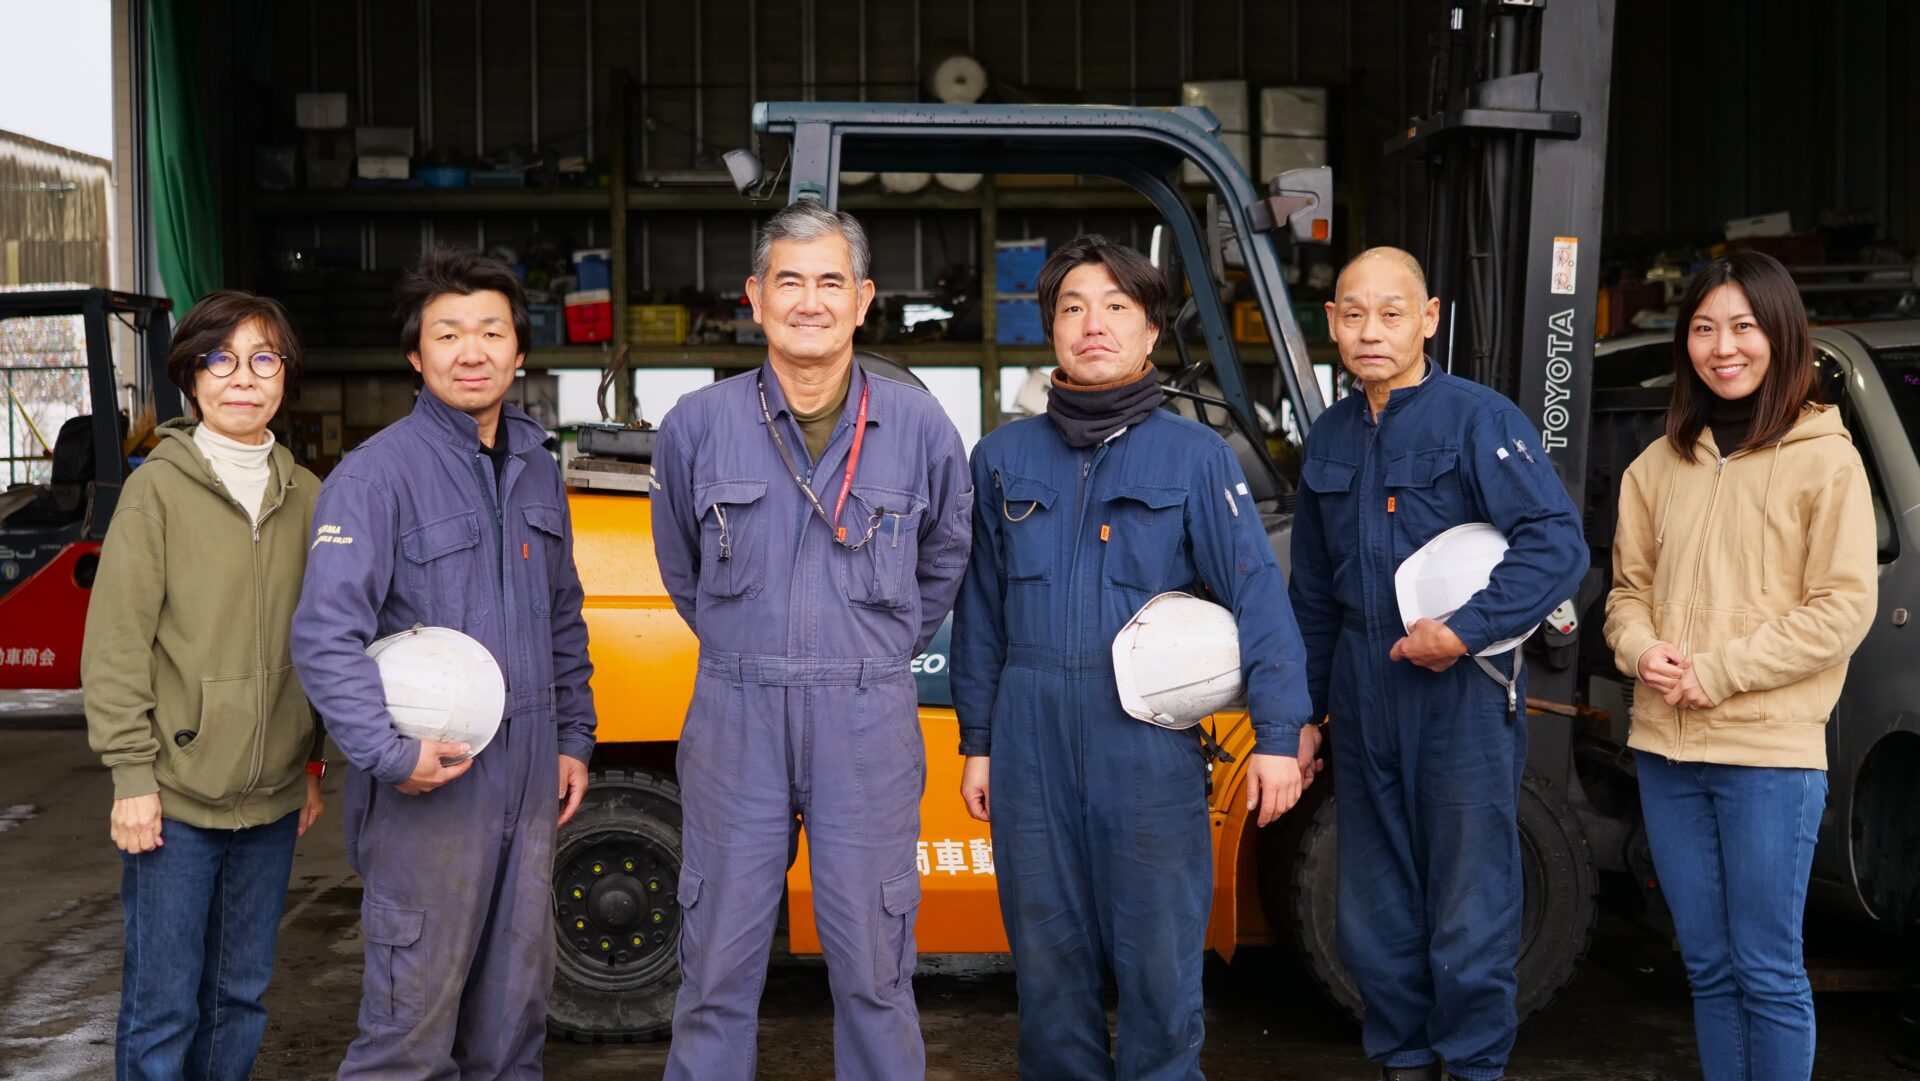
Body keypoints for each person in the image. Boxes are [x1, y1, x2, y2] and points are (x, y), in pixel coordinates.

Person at [950, 234, 1320, 1080]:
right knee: (1048, 967)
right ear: (1050, 327)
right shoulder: (1002, 459)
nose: (1094, 324)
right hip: (1031, 738)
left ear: (1152, 330)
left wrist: (1277, 732)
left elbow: (1259, 597)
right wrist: (978, 739)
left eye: (1117, 306)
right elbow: (980, 608)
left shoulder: (1194, 457)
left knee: (1158, 964)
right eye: (1074, 307)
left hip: (1146, 744)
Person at [650, 200, 972, 1081]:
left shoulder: (918, 427)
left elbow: (946, 557)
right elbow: (681, 566)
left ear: (863, 299)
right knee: (716, 963)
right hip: (735, 713)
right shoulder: (696, 425)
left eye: (831, 280)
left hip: (866, 717)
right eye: (789, 280)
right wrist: (738, 642)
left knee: (873, 967)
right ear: (755, 297)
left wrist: (879, 645)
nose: (810, 300)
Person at [289, 247, 597, 1078]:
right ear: (416, 356)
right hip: (431, 792)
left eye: (491, 331)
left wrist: (574, 736)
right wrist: (390, 756)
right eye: (449, 332)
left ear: (519, 351)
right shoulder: (374, 477)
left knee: (511, 1029)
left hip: (529, 785)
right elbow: (324, 634)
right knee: (409, 1036)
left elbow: (562, 614)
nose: (472, 350)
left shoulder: (539, 468)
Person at [1288, 247, 1587, 1081]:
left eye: (1392, 312)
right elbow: (1312, 592)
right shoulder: (1332, 435)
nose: (1371, 330)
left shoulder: (1478, 419)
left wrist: (1466, 629)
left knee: (1469, 895)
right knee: (1372, 898)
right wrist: (1303, 716)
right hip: (1361, 679)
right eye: (1353, 314)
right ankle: (1406, 1061)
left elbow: (1557, 543)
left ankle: (1473, 1064)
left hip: (1458, 690)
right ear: (1333, 325)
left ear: (1429, 318)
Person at [1603, 250, 1875, 1081]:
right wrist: (1641, 648)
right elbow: (1624, 594)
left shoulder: (1826, 460)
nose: (1724, 347)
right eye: (1705, 328)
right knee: (1710, 968)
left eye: (1744, 327)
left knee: (1766, 969)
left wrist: (1716, 673)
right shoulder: (1657, 465)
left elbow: (1842, 606)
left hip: (1767, 754)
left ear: (1781, 334)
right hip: (1668, 752)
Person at [81, 290, 326, 1081]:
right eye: (220, 359)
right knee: (164, 1003)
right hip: (174, 799)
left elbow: (325, 641)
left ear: (284, 376)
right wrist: (131, 776)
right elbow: (117, 641)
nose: (242, 378)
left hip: (273, 798)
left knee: (241, 994)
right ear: (191, 376)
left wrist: (310, 763)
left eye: (263, 358)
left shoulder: (312, 497)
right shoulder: (157, 489)